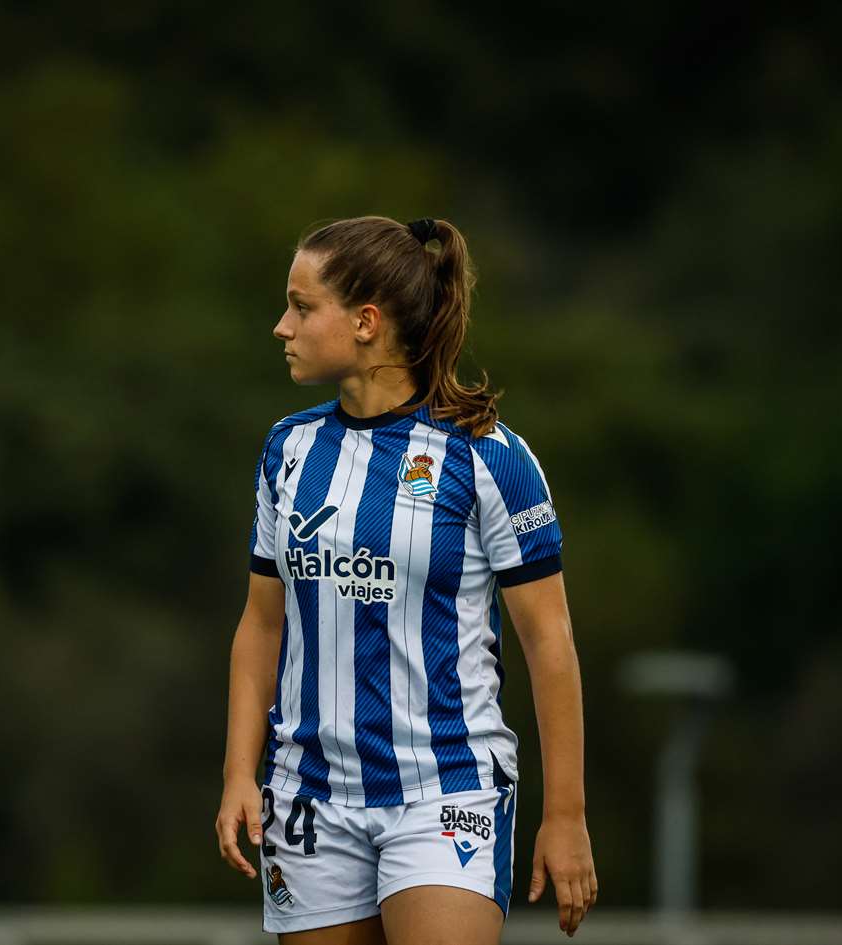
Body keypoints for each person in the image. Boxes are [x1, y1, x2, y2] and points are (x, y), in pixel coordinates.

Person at [215, 216, 598, 944]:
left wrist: (566, 815)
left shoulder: (488, 456)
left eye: (301, 307)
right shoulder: (287, 449)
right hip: (309, 794)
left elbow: (550, 642)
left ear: (366, 322)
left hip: (445, 788)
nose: (281, 326)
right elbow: (261, 623)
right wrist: (239, 771)